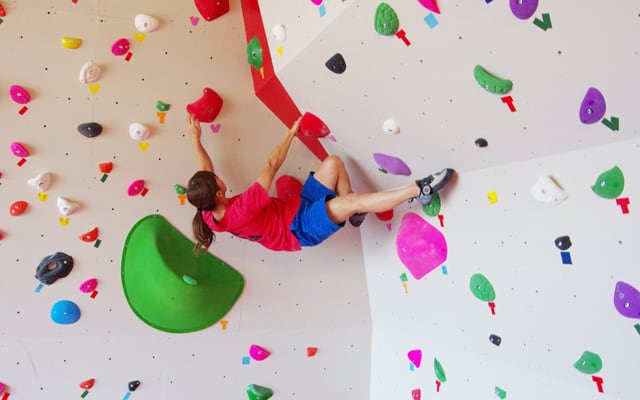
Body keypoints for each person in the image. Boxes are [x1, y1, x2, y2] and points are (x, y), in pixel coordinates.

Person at [185, 114, 454, 253]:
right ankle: (420, 189)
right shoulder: (240, 209)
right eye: (216, 180)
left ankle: (355, 213)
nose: (217, 175)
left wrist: (196, 139)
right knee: (350, 200)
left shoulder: (208, 211)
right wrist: (291, 134)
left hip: (299, 206)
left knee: (334, 163)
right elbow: (270, 166)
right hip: (300, 228)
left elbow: (204, 170)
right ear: (219, 193)